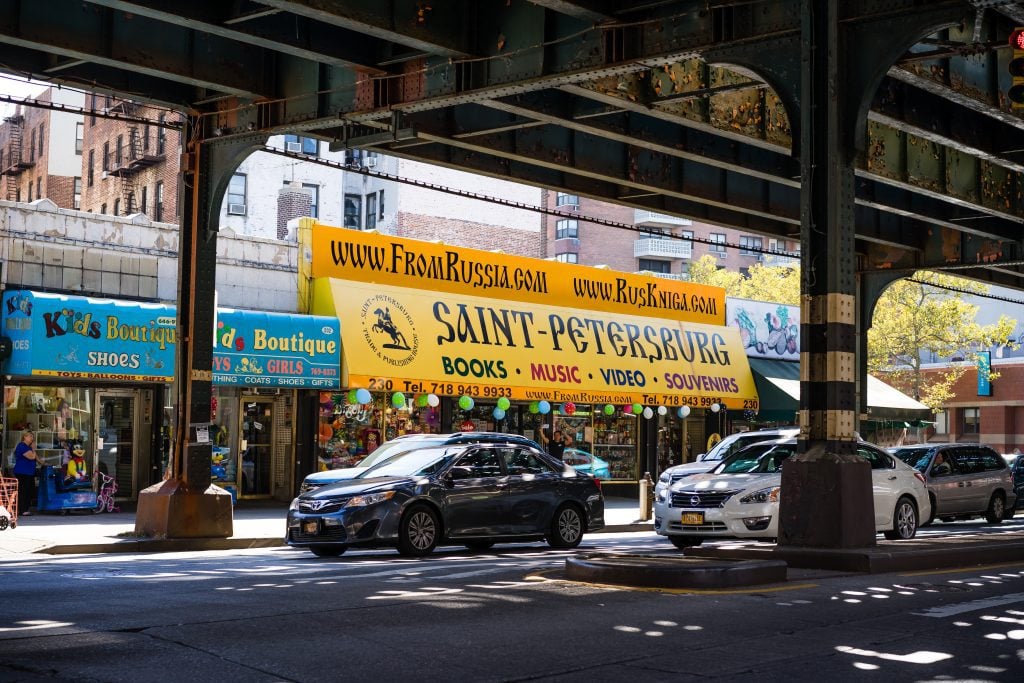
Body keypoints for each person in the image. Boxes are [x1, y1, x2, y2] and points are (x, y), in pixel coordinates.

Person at [12, 430, 38, 517]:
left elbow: (36, 457)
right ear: (25, 437)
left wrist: (43, 463)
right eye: (30, 436)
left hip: (29, 473)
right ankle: (22, 510)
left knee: (28, 491)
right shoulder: (22, 446)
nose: (32, 438)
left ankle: (25, 508)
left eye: (32, 436)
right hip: (23, 472)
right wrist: (34, 448)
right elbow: (32, 457)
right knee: (23, 491)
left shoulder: (28, 447)